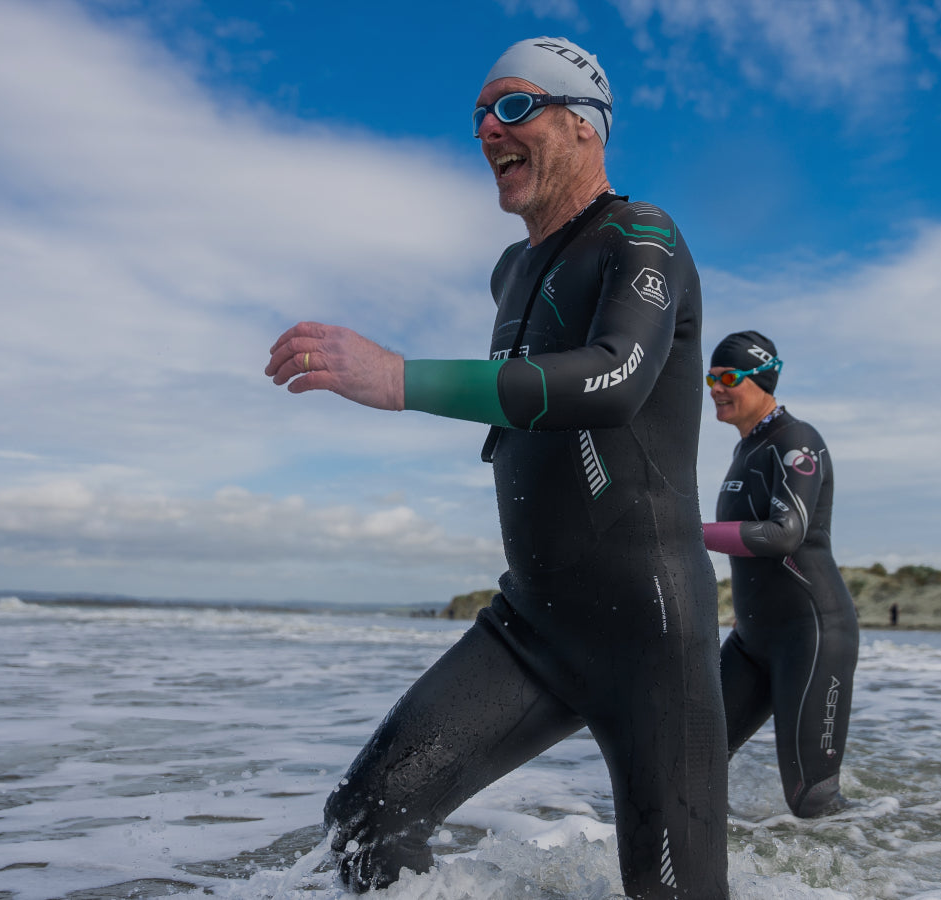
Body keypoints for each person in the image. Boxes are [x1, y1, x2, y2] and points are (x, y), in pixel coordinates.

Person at [266, 37, 728, 899]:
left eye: (514, 106)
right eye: (480, 113)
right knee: (367, 819)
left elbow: (611, 380)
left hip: (649, 630)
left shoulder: (644, 237)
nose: (487, 128)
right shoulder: (511, 271)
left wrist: (400, 378)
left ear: (586, 124)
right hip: (531, 624)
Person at [701, 330, 858, 818]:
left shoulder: (797, 440)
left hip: (810, 635)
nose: (715, 388)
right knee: (688, 755)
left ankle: (888, 877)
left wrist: (687, 532)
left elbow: (785, 533)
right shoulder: (744, 450)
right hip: (752, 642)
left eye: (727, 377)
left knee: (812, 801)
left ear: (761, 380)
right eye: (711, 377)